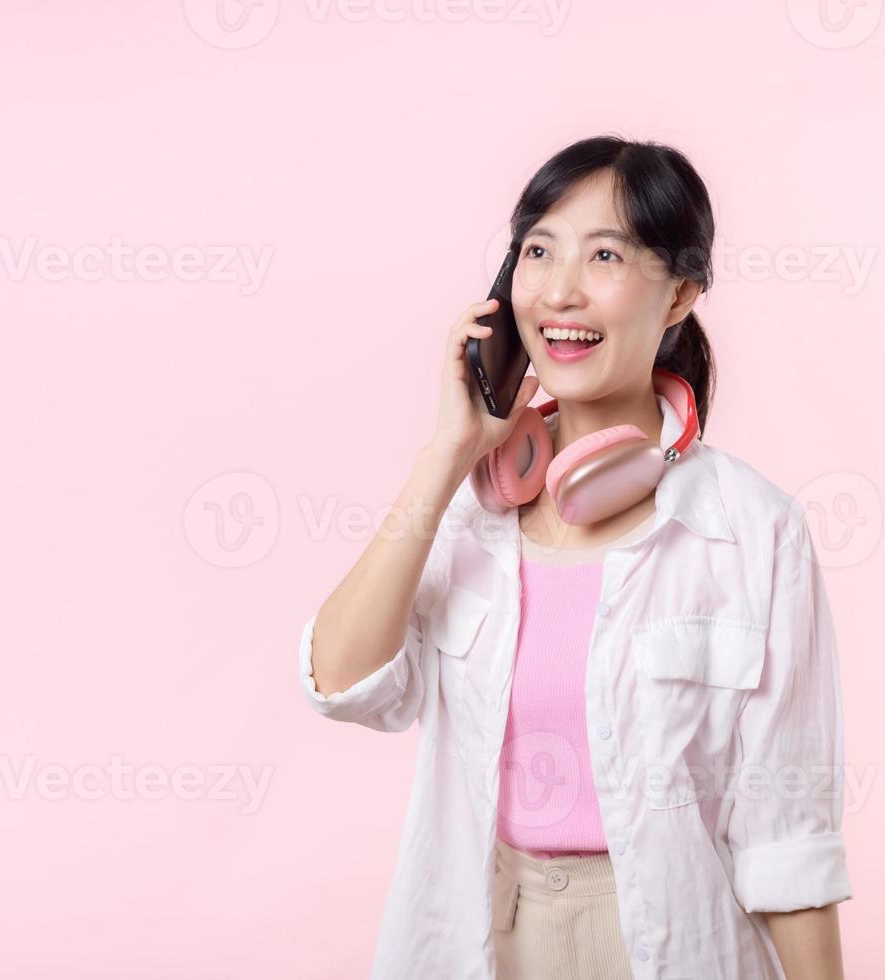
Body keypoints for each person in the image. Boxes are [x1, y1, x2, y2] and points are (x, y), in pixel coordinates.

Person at [299, 135, 852, 979]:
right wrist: (446, 454)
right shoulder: (464, 510)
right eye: (536, 250)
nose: (559, 289)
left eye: (604, 254)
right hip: (484, 931)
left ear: (680, 296)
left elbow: (787, 833)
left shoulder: (753, 529)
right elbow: (341, 684)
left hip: (667, 938)